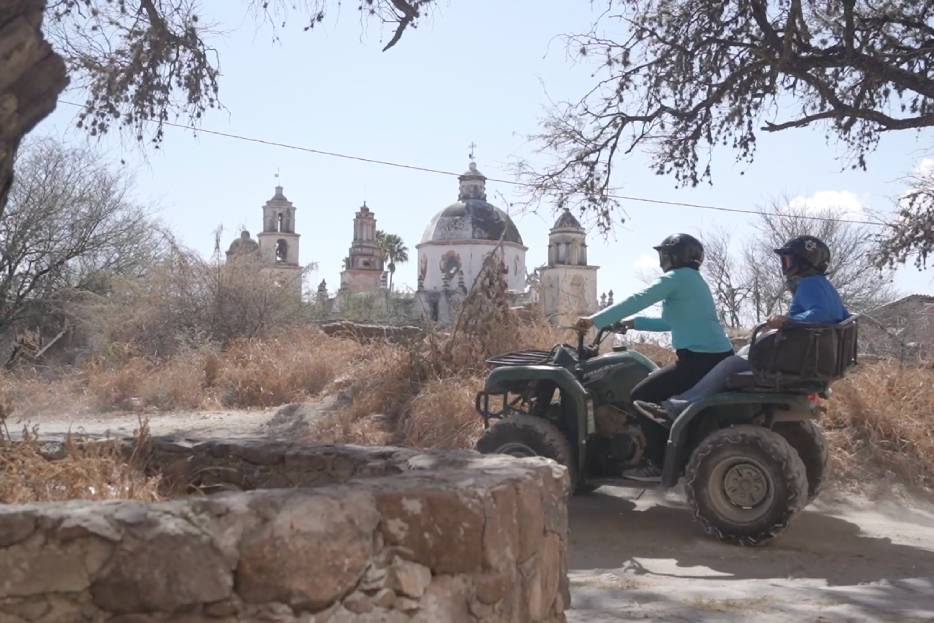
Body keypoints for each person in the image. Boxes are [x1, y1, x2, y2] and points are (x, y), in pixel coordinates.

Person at [636, 235, 850, 428]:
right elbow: (840, 316)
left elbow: (820, 314)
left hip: (795, 359)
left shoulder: (810, 285)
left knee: (730, 364)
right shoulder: (824, 286)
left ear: (804, 262)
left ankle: (677, 406)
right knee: (743, 352)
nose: (785, 265)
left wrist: (787, 320)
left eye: (788, 260)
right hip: (804, 355)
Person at [576, 233, 733, 481]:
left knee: (641, 396)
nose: (662, 260)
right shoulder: (694, 281)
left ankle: (657, 462)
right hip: (713, 358)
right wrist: (632, 323)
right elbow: (670, 322)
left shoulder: (676, 278)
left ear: (674, 256)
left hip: (698, 360)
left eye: (665, 254)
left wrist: (594, 320)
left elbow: (640, 298)